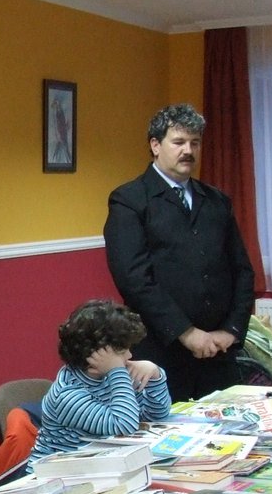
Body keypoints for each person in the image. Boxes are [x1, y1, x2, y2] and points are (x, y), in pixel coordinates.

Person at [103, 103, 256, 401]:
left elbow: (242, 271)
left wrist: (232, 330)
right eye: (179, 142)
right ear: (155, 145)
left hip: (218, 352)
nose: (188, 150)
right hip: (160, 351)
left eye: (195, 143)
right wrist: (186, 332)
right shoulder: (130, 200)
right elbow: (134, 280)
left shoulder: (216, 201)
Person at [30, 300, 172, 466]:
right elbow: (124, 426)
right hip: (60, 471)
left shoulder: (111, 375)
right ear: (96, 353)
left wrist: (155, 375)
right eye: (122, 351)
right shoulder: (67, 395)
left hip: (100, 463)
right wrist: (117, 371)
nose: (129, 356)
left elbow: (155, 416)